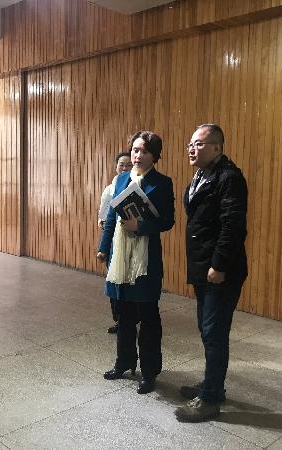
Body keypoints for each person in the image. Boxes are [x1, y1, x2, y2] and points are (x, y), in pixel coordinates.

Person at [174, 124, 248, 422]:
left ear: (217, 147)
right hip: (203, 267)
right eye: (190, 144)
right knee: (207, 330)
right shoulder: (202, 175)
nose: (192, 149)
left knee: (215, 333)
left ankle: (210, 399)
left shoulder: (228, 178)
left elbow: (233, 226)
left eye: (199, 144)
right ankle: (211, 383)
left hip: (220, 270)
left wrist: (219, 265)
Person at [97, 130, 175, 395]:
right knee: (123, 315)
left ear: (154, 156)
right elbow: (111, 217)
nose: (137, 155)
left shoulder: (162, 183)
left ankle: (149, 372)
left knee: (148, 317)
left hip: (145, 260)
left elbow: (167, 221)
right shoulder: (121, 179)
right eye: (135, 150)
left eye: (144, 151)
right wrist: (103, 248)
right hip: (120, 257)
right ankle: (124, 363)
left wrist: (140, 226)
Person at [98, 151, 132, 334]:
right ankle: (118, 319)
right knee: (113, 280)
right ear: (116, 166)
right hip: (112, 239)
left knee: (128, 280)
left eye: (128, 165)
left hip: (130, 239)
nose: (124, 168)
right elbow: (103, 214)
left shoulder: (135, 185)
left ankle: (129, 318)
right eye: (121, 165)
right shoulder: (110, 189)